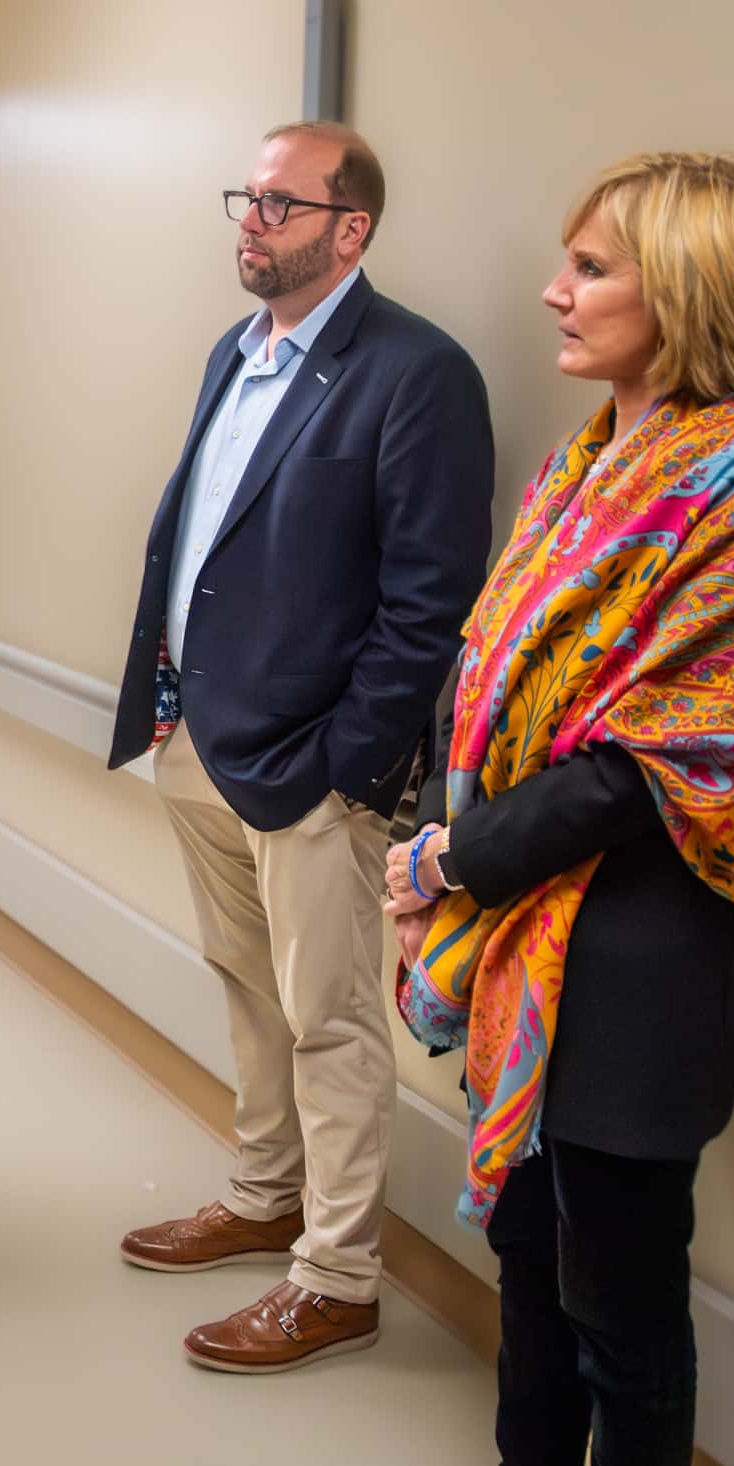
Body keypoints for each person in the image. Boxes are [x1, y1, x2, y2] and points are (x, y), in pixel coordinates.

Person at [386, 151, 734, 1466]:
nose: (553, 292)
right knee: (527, 1277)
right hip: (521, 939)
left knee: (621, 1310)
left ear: (683, 288)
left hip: (640, 955)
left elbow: (676, 753)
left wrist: (447, 854)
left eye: (589, 267)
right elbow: (489, 690)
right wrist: (444, 856)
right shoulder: (584, 462)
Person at [109, 121, 496, 1373]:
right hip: (202, 741)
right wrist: (171, 707)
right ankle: (265, 1190)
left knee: (330, 1019)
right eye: (247, 197)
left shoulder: (415, 372)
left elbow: (429, 602)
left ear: (352, 228)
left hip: (312, 772)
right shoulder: (239, 351)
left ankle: (336, 1274)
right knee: (248, 988)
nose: (251, 220)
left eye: (281, 203)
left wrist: (350, 765)